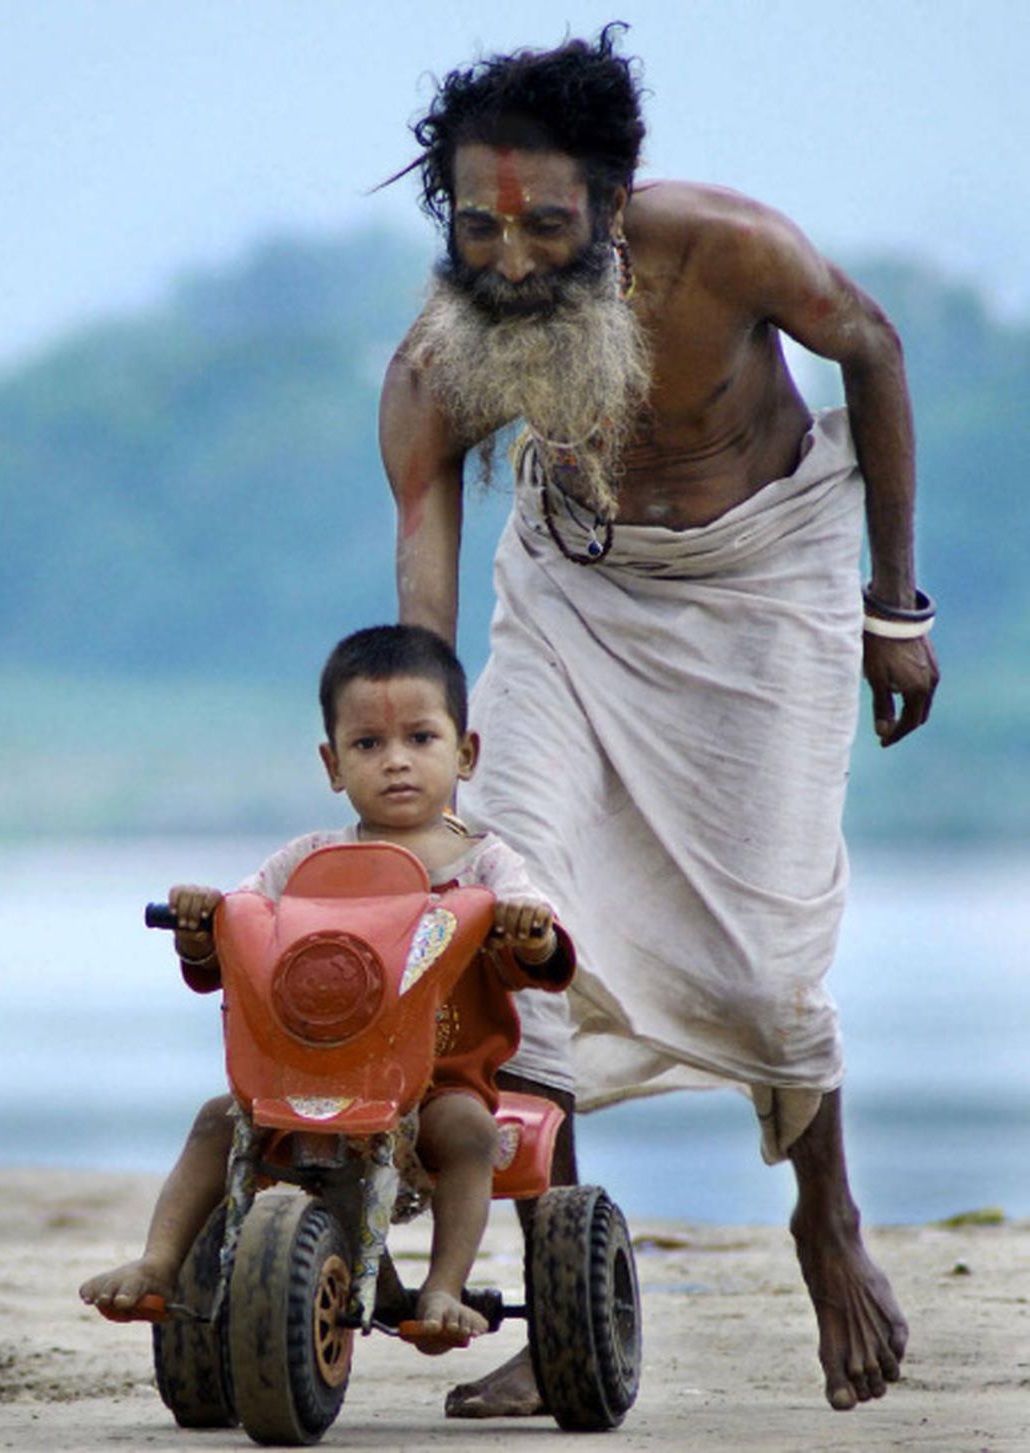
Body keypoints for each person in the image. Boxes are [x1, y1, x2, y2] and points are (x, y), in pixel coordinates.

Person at [378, 22, 939, 1416]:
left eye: (547, 224)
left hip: (770, 575)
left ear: (616, 206)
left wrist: (896, 607)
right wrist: (433, 731)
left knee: (766, 962)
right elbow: (427, 512)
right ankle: (560, 1304)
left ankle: (828, 1222)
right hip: (575, 590)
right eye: (478, 222)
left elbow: (873, 350)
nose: (508, 256)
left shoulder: (729, 249)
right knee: (509, 913)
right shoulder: (444, 345)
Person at [79, 624, 575, 1349]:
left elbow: (546, 948)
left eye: (421, 738)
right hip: (312, 1074)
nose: (396, 761)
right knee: (220, 1119)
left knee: (469, 1131)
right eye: (369, 744)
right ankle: (161, 1261)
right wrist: (201, 921)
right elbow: (240, 929)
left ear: (465, 751)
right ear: (333, 764)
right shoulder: (306, 861)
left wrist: (528, 929)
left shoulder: (487, 865)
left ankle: (441, 1288)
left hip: (434, 1085)